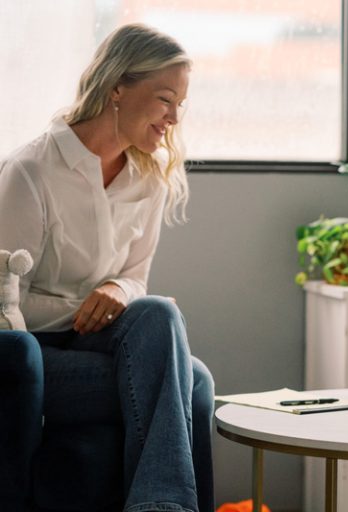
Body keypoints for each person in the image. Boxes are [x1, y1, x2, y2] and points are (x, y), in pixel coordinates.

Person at [0, 24, 215, 512]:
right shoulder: (31, 172)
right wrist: (93, 306)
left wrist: (120, 288)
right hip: (35, 354)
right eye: (165, 99)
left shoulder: (149, 179)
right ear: (117, 87)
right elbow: (4, 302)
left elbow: (137, 274)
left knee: (158, 311)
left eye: (180, 105)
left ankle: (159, 506)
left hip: (104, 342)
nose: (174, 119)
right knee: (194, 382)